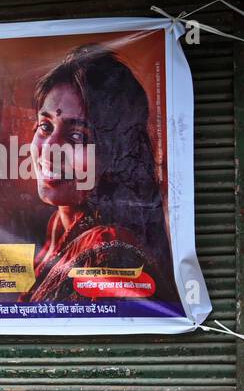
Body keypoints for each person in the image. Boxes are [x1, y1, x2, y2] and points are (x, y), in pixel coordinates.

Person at [20, 44, 175, 304]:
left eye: (77, 136)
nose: (50, 149)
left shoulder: (107, 246)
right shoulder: (59, 224)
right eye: (45, 126)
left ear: (116, 154)